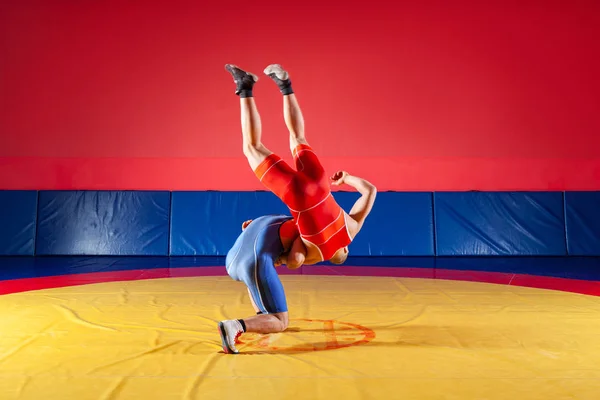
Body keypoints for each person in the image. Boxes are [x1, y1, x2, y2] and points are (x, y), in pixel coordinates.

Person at [224, 63, 377, 268]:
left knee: (298, 137)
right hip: (297, 195)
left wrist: (346, 178)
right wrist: (273, 251)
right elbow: (296, 260)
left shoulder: (352, 228)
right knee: (252, 147)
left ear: (346, 249)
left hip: (321, 183)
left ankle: (285, 84)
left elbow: (370, 191)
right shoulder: (315, 255)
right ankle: (245, 86)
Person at [218, 214, 299, 354]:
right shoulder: (301, 229)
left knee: (256, 280)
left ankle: (263, 320)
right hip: (253, 264)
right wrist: (283, 258)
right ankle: (235, 326)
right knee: (281, 321)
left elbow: (251, 232)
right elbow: (295, 261)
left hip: (231, 261)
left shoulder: (273, 217)